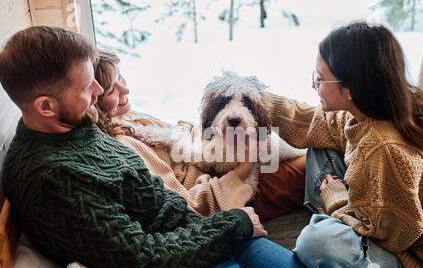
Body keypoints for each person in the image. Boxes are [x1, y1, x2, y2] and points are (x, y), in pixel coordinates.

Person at [0, 26, 374, 268]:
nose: (98, 92)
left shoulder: (75, 127)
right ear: (45, 106)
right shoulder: (51, 179)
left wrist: (228, 227)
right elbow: (146, 263)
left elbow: (163, 201)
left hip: (205, 236)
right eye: (86, 88)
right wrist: (233, 222)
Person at [262, 21, 423, 268]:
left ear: (350, 88)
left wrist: (336, 201)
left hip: (417, 257)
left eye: (320, 78)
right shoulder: (379, 108)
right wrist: (256, 99)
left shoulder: (382, 149)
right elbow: (316, 123)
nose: (315, 85)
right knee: (319, 142)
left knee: (316, 243)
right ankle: (339, 212)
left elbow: (393, 238)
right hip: (385, 210)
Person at [93, 51, 306, 220]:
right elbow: (185, 204)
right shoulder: (124, 143)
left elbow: (177, 135)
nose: (126, 90)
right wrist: (245, 166)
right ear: (94, 97)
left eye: (120, 76)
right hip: (231, 189)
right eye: (112, 89)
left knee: (307, 148)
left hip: (220, 158)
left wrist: (207, 132)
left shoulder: (128, 116)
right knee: (313, 161)